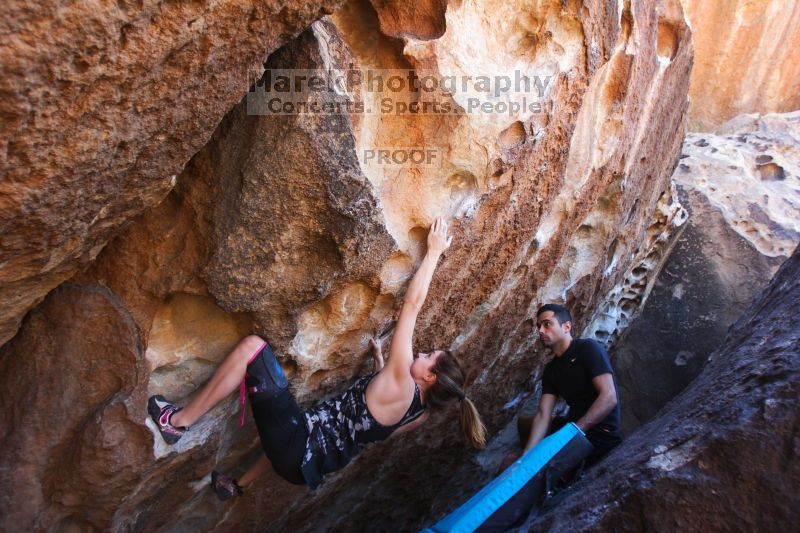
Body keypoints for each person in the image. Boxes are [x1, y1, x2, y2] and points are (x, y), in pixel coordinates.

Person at [147, 217, 486, 500]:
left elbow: (412, 306)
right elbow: (374, 424)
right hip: (304, 465)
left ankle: (175, 423)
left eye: (429, 358)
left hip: (296, 445)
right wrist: (378, 362)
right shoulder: (419, 413)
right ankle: (236, 486)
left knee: (252, 347)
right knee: (299, 423)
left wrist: (434, 253)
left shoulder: (402, 379)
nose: (423, 354)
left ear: (431, 378)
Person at [502, 303, 622, 472]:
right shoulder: (551, 370)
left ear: (567, 326)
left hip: (598, 432)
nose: (541, 331)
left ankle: (543, 471)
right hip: (571, 425)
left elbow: (609, 397)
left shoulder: (587, 349)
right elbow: (544, 414)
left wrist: (574, 432)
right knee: (523, 425)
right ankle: (530, 460)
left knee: (508, 461)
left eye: (547, 324)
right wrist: (527, 454)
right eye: (538, 326)